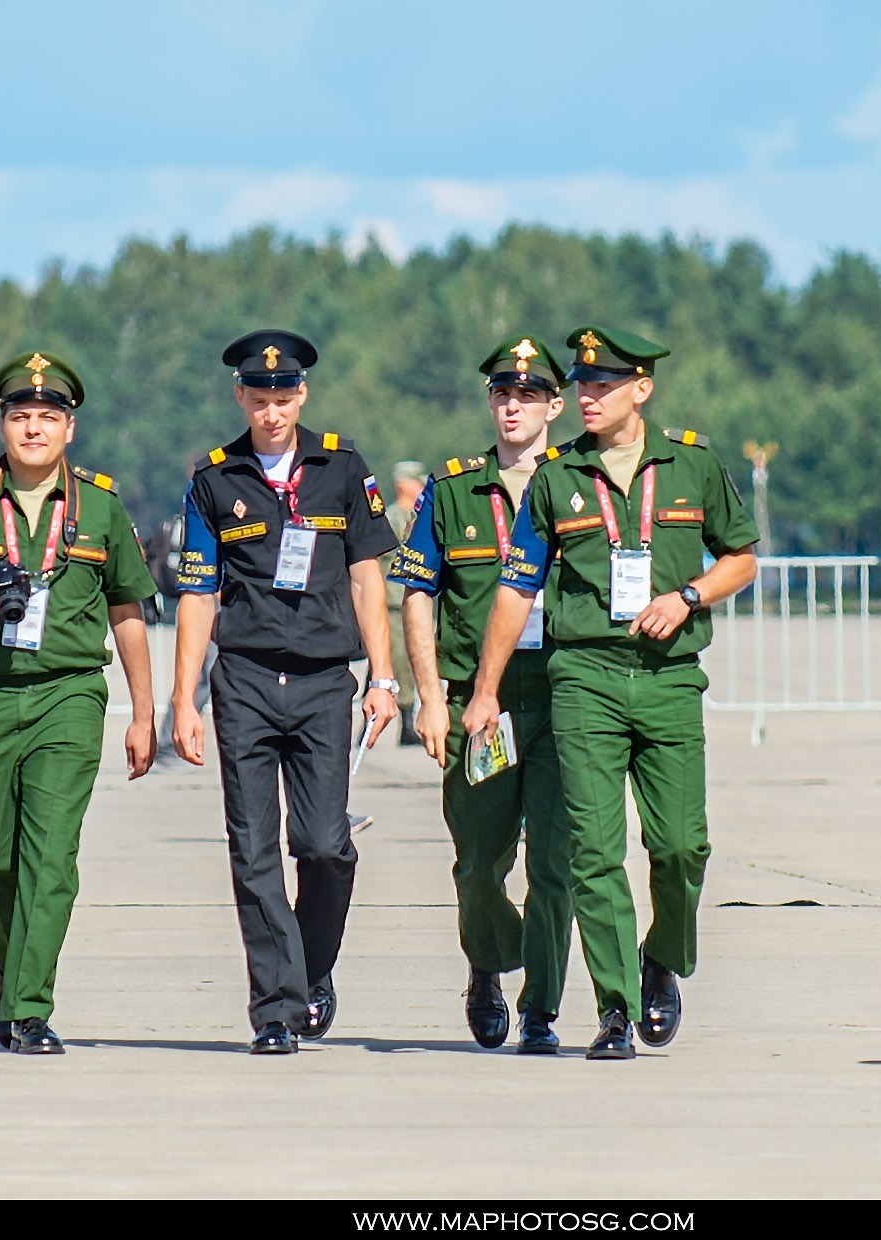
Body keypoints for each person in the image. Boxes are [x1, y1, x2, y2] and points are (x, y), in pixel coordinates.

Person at [463, 325, 759, 1060]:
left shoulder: (691, 466)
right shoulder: (558, 479)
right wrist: (485, 690)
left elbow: (743, 558)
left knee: (681, 846)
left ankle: (663, 957)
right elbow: (514, 586)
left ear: (641, 390)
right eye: (582, 385)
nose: (587, 397)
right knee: (595, 852)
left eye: (602, 386)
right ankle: (616, 1007)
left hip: (668, 679)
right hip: (584, 679)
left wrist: (689, 595)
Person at [0, 350, 158, 1055]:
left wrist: (144, 712)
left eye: (48, 417)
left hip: (67, 695)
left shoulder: (101, 505)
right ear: (3, 424)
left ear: (69, 428)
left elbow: (129, 609)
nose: (34, 429)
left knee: (50, 858)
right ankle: (15, 967)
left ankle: (28, 1009)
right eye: (21, 417)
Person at [170, 328, 399, 1055]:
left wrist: (383, 679)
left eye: (284, 398)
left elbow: (368, 575)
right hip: (243, 682)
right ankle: (275, 1010)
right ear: (241, 396)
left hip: (325, 681)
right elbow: (198, 596)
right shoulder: (214, 480)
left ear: (303, 394)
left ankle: (309, 967)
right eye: (259, 399)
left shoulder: (341, 468)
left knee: (324, 846)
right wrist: (183, 701)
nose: (272, 412)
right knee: (253, 851)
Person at [389, 333, 575, 1053]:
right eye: (502, 393)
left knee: (556, 860)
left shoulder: (580, 485)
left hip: (563, 694)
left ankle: (542, 1006)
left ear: (554, 406)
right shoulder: (453, 490)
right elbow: (416, 595)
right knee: (479, 860)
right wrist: (430, 695)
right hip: (480, 705)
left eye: (528, 395)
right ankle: (488, 965)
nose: (512, 406)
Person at [385, 461, 428, 745]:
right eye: (417, 482)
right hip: (391, 604)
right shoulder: (392, 518)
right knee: (399, 662)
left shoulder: (414, 516)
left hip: (408, 602)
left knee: (407, 662)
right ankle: (406, 722)